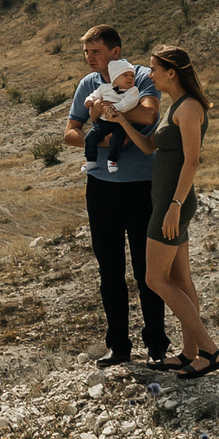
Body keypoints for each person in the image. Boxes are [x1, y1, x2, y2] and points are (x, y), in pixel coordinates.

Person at [109, 44, 219, 379]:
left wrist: (174, 207)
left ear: (172, 72)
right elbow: (149, 147)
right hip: (166, 201)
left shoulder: (188, 108)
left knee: (154, 278)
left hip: (172, 204)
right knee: (178, 279)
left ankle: (210, 351)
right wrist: (121, 122)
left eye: (154, 69)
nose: (148, 74)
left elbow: (192, 161)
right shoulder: (174, 106)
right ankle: (191, 352)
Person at [62, 25, 168, 369]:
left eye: (95, 51)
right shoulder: (87, 84)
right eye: (86, 52)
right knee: (109, 270)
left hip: (140, 185)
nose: (89, 58)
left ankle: (156, 346)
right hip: (101, 188)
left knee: (146, 270)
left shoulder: (141, 77)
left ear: (115, 51)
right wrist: (108, 140)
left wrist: (114, 111)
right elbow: (70, 133)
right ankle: (119, 347)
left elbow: (149, 114)